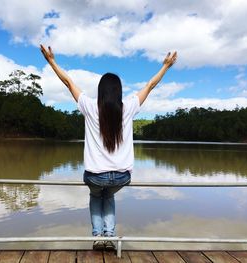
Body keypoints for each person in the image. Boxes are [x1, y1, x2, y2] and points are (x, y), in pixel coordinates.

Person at [40, 45, 177, 250]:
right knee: (109, 195)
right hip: (122, 176)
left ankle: (98, 238)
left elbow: (68, 82)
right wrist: (166, 66)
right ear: (119, 91)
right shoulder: (129, 107)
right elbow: (150, 85)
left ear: (100, 91)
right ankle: (110, 237)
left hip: (95, 175)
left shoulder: (89, 105)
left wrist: (51, 61)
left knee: (96, 196)